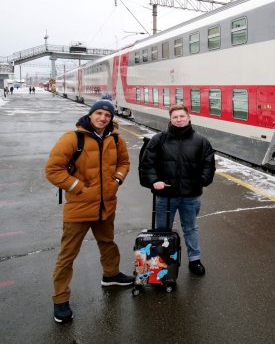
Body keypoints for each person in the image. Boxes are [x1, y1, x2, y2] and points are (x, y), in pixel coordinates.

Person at [44, 98, 132, 324]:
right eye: (99, 113)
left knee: (107, 242)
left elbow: (124, 163)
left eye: (107, 115)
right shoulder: (73, 138)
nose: (103, 118)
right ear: (91, 114)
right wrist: (79, 188)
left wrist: (116, 181)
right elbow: (53, 170)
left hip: (106, 205)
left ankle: (111, 275)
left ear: (111, 118)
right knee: (68, 254)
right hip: (80, 207)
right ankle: (60, 299)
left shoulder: (116, 138)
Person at [139, 104, 216, 277]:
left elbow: (208, 165)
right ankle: (160, 263)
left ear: (189, 118)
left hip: (191, 196)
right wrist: (154, 181)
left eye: (182, 116)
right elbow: (147, 164)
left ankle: (194, 260)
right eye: (175, 117)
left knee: (191, 228)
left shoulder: (201, 141)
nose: (179, 120)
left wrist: (201, 182)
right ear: (170, 120)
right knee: (162, 230)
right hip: (165, 195)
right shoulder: (159, 139)